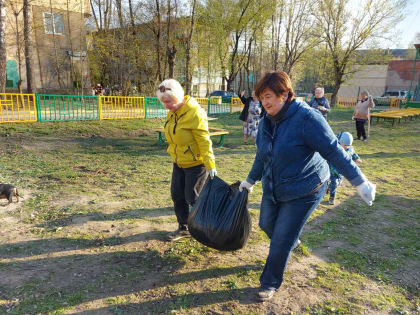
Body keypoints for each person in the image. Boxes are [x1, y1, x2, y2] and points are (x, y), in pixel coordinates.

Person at [237, 71, 376, 302]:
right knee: (266, 224)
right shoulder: (266, 121)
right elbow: (262, 155)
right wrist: (250, 180)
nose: (265, 102)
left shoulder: (307, 119)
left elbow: (333, 149)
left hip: (306, 188)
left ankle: (270, 282)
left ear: (285, 94)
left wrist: (359, 181)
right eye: (261, 97)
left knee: (280, 239)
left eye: (269, 96)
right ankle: (292, 240)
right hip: (275, 185)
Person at [156, 79, 217, 241]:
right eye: (163, 102)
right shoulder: (173, 113)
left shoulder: (194, 113)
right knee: (177, 195)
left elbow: (204, 140)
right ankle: (184, 227)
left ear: (178, 96)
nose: (166, 105)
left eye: (168, 101)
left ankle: (208, 227)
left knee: (193, 197)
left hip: (196, 164)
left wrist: (210, 165)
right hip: (179, 163)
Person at [328, 132, 362, 205]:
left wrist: (356, 159)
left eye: (348, 145)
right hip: (333, 170)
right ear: (340, 143)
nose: (347, 147)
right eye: (345, 145)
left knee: (337, 183)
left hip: (342, 171)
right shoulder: (335, 149)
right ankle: (332, 197)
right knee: (334, 183)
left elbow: (353, 154)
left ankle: (329, 186)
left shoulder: (350, 149)